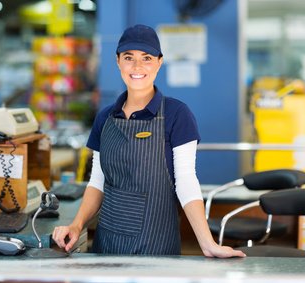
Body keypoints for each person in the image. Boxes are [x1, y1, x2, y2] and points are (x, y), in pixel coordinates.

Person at [52, 24, 246, 258]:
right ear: (118, 62)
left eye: (146, 58)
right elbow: (97, 180)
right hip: (107, 245)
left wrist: (207, 243)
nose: (137, 66)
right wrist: (77, 225)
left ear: (159, 62)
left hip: (155, 244)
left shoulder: (177, 114)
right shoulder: (105, 117)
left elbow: (185, 180)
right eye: (128, 57)